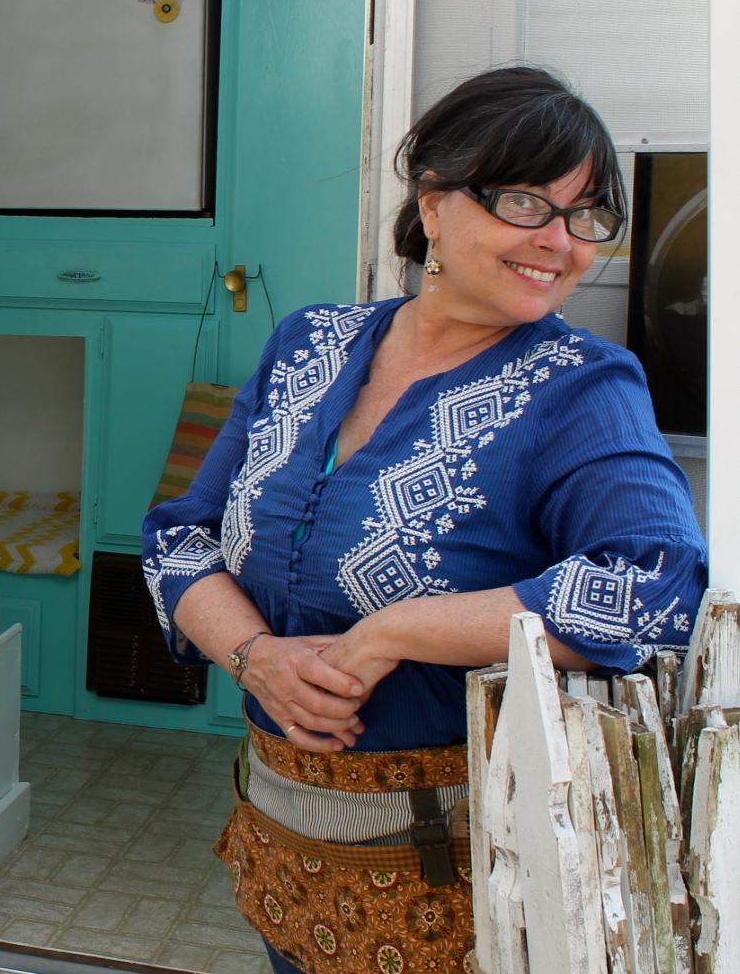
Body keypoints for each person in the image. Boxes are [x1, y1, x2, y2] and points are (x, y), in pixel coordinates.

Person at [142, 67, 707, 974]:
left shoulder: (583, 388)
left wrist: (399, 629)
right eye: (525, 201)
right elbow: (179, 533)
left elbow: (653, 585)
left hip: (453, 887)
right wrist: (255, 656)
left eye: (586, 215)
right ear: (434, 202)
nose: (560, 243)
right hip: (286, 853)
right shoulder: (309, 343)